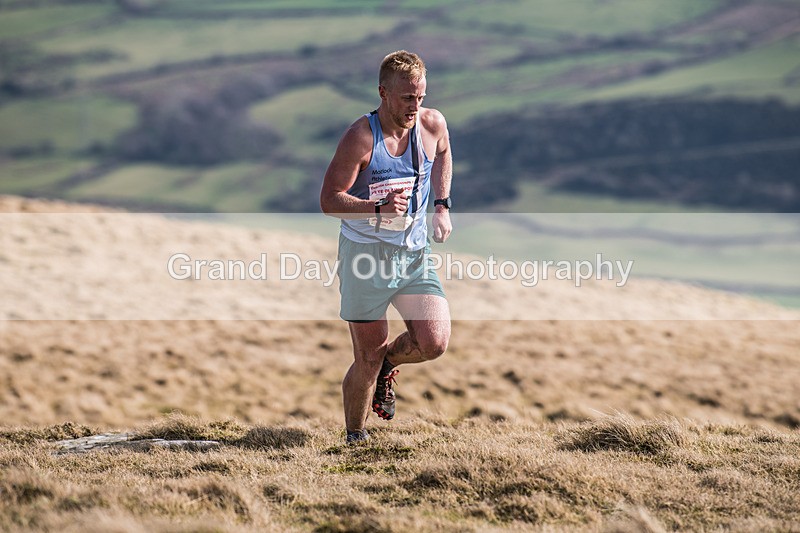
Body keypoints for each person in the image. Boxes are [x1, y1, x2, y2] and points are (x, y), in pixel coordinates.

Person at [320, 50, 453, 444]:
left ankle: (390, 365)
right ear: (383, 93)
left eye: (421, 97)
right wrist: (376, 208)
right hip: (365, 257)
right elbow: (329, 200)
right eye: (406, 98)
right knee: (368, 355)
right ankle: (355, 437)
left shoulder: (432, 125)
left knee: (434, 342)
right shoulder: (361, 137)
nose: (415, 106)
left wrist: (441, 206)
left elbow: (443, 153)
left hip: (413, 255)